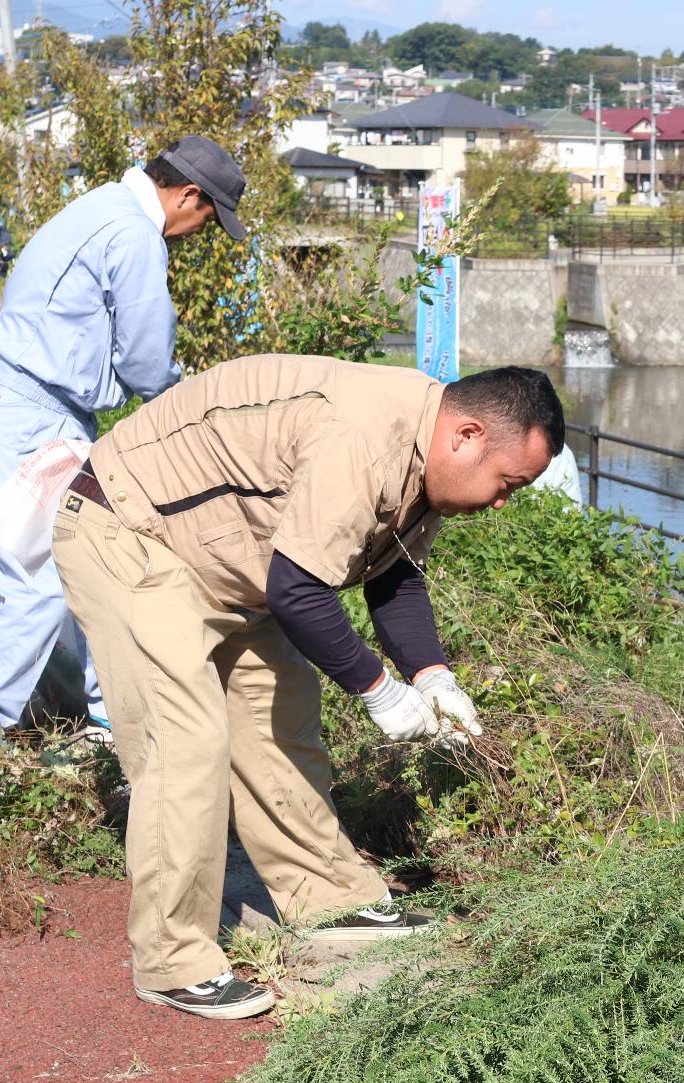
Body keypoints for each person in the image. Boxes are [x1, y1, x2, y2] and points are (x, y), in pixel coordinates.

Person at [53, 358, 563, 1019]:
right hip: (127, 528)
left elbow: (394, 577)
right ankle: (171, 959)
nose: (501, 503)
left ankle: (328, 897)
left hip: (226, 561)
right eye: (507, 484)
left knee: (281, 720)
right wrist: (380, 690)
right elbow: (297, 591)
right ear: (467, 436)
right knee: (187, 741)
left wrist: (433, 674)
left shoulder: (425, 455)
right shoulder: (363, 433)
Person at [0, 135, 248, 743]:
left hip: (24, 408)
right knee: (45, 583)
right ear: (187, 194)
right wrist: (187, 415)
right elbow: (145, 359)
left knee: (88, 566)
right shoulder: (135, 234)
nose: (198, 232)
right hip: (33, 418)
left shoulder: (103, 203)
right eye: (208, 218)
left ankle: (107, 719)